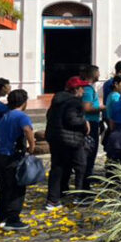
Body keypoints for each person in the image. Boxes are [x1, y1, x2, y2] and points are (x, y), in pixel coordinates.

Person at [45, 76, 90, 210]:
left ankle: (53, 199)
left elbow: (49, 115)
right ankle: (79, 195)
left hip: (55, 137)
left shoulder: (57, 100)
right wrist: (85, 123)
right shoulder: (74, 102)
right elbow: (72, 120)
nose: (83, 91)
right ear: (76, 89)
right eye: (82, 88)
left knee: (58, 168)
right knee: (80, 165)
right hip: (71, 139)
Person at [0, 89, 35, 231]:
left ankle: (1, 217)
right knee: (17, 187)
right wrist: (32, 146)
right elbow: (27, 130)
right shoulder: (21, 116)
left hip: (1, 154)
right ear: (24, 102)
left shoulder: (5, 116)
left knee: (3, 186)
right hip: (14, 155)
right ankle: (13, 218)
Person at [80, 64, 105, 192]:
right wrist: (103, 108)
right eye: (98, 72)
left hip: (93, 122)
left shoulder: (90, 88)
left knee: (91, 154)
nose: (100, 75)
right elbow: (87, 107)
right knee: (89, 153)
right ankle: (84, 186)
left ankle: (88, 179)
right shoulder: (88, 90)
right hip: (89, 124)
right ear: (93, 74)